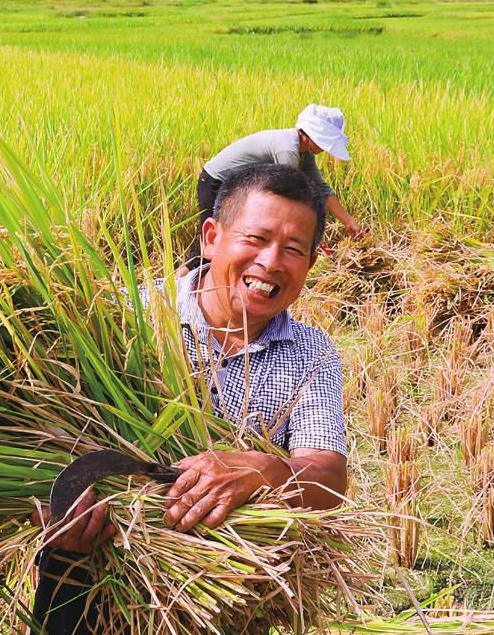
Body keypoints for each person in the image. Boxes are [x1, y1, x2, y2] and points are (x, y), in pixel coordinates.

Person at [33, 164, 349, 635]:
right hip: (90, 568)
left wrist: (262, 469)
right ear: (210, 237)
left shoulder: (312, 353)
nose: (271, 261)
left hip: (227, 594)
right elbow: (40, 429)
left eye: (293, 249)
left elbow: (328, 479)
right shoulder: (123, 316)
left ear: (310, 264)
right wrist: (60, 510)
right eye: (256, 239)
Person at [181, 104, 363, 274]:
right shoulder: (287, 149)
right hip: (215, 183)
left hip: (238, 189)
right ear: (314, 135)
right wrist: (311, 233)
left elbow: (321, 189)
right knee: (213, 245)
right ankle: (172, 286)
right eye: (325, 143)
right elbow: (291, 195)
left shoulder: (304, 152)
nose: (326, 149)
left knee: (229, 244)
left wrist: (349, 223)